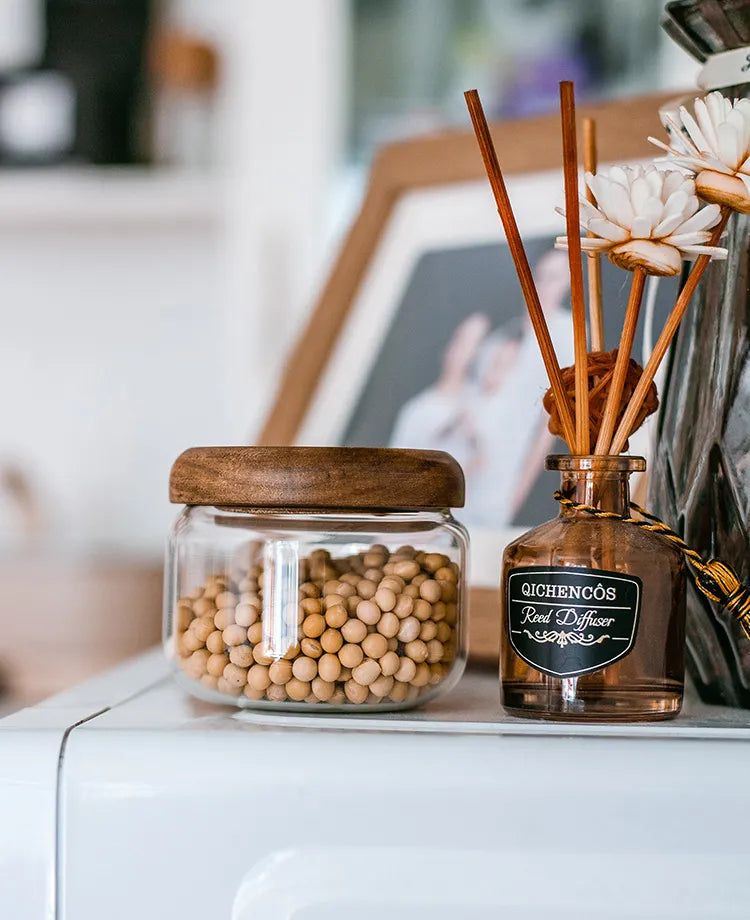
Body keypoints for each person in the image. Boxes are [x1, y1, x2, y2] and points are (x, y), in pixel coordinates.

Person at [390, 249, 574, 527]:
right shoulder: (501, 334)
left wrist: (516, 494)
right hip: (467, 459)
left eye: (555, 278)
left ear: (568, 284)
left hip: (503, 471)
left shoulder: (566, 334)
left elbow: (549, 425)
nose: (544, 285)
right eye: (540, 276)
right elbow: (471, 395)